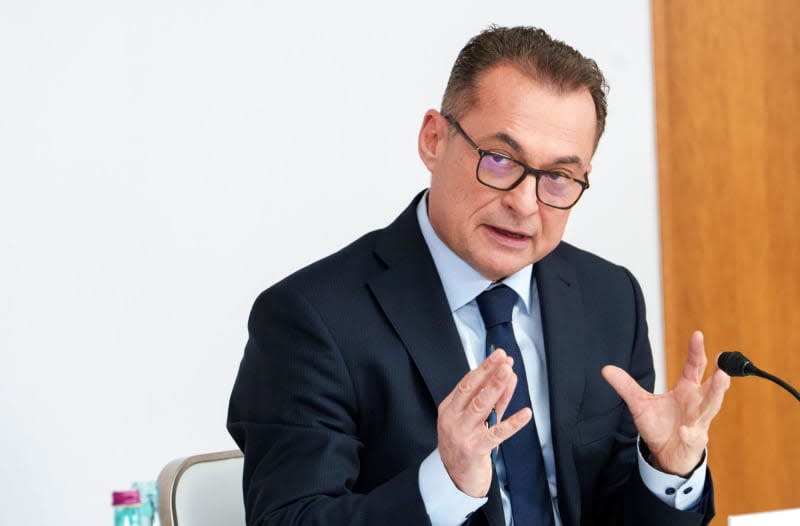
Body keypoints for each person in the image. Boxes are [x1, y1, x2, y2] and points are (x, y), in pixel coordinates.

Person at [227, 26, 730, 526]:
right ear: (433, 140)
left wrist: (666, 469)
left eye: (557, 177)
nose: (523, 203)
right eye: (500, 159)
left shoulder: (609, 298)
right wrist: (442, 485)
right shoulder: (313, 319)